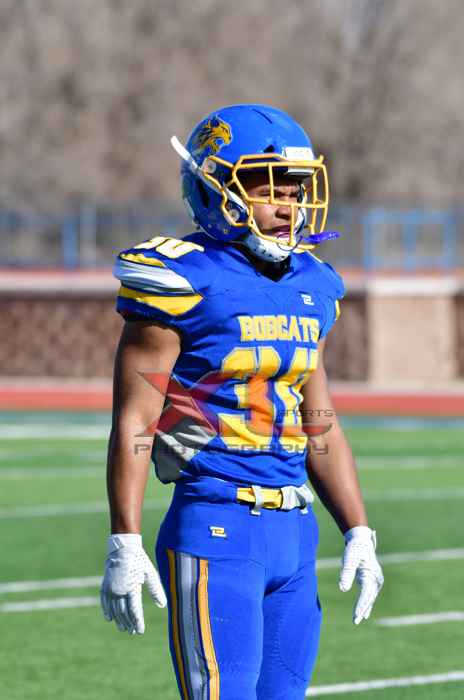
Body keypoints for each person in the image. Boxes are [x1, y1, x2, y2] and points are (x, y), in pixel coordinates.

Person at [100, 104, 384, 700]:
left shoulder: (313, 284)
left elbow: (319, 422)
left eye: (296, 189)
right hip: (217, 522)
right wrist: (124, 537)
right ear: (215, 189)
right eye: (268, 188)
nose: (289, 205)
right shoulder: (183, 278)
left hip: (296, 532)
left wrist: (358, 528)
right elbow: (137, 419)